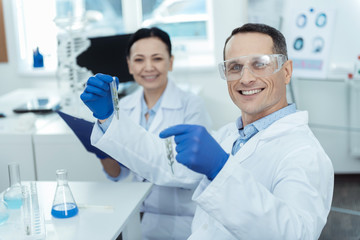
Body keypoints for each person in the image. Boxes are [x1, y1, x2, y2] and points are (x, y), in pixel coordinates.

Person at [81, 23, 334, 239]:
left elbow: (295, 234)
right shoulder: (231, 135)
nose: (246, 78)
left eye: (260, 64)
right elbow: (165, 163)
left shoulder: (304, 154)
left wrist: (221, 170)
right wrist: (109, 119)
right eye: (235, 67)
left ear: (286, 71)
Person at [83, 27, 212, 240]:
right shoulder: (121, 106)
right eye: (140, 59)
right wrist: (103, 149)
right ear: (129, 65)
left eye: (157, 58)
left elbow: (193, 171)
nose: (149, 67)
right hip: (136, 213)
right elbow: (118, 175)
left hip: (180, 218)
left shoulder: (191, 105)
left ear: (170, 62)